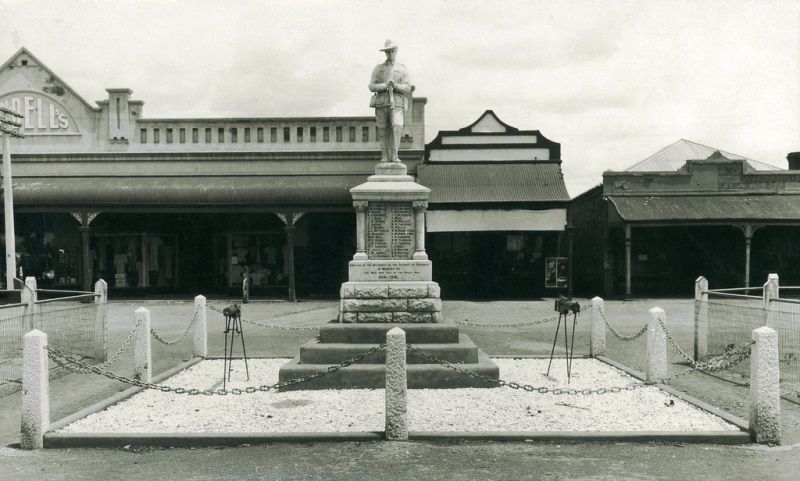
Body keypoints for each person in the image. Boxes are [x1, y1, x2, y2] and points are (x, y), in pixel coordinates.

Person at [369, 39, 414, 163]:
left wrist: (396, 86)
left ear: (396, 51)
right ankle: (384, 155)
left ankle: (394, 155)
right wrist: (384, 85)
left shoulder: (402, 68)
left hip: (397, 102)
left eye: (392, 51)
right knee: (383, 129)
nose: (389, 54)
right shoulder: (378, 68)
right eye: (387, 52)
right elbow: (371, 86)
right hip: (382, 102)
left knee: (397, 126)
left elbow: (408, 86)